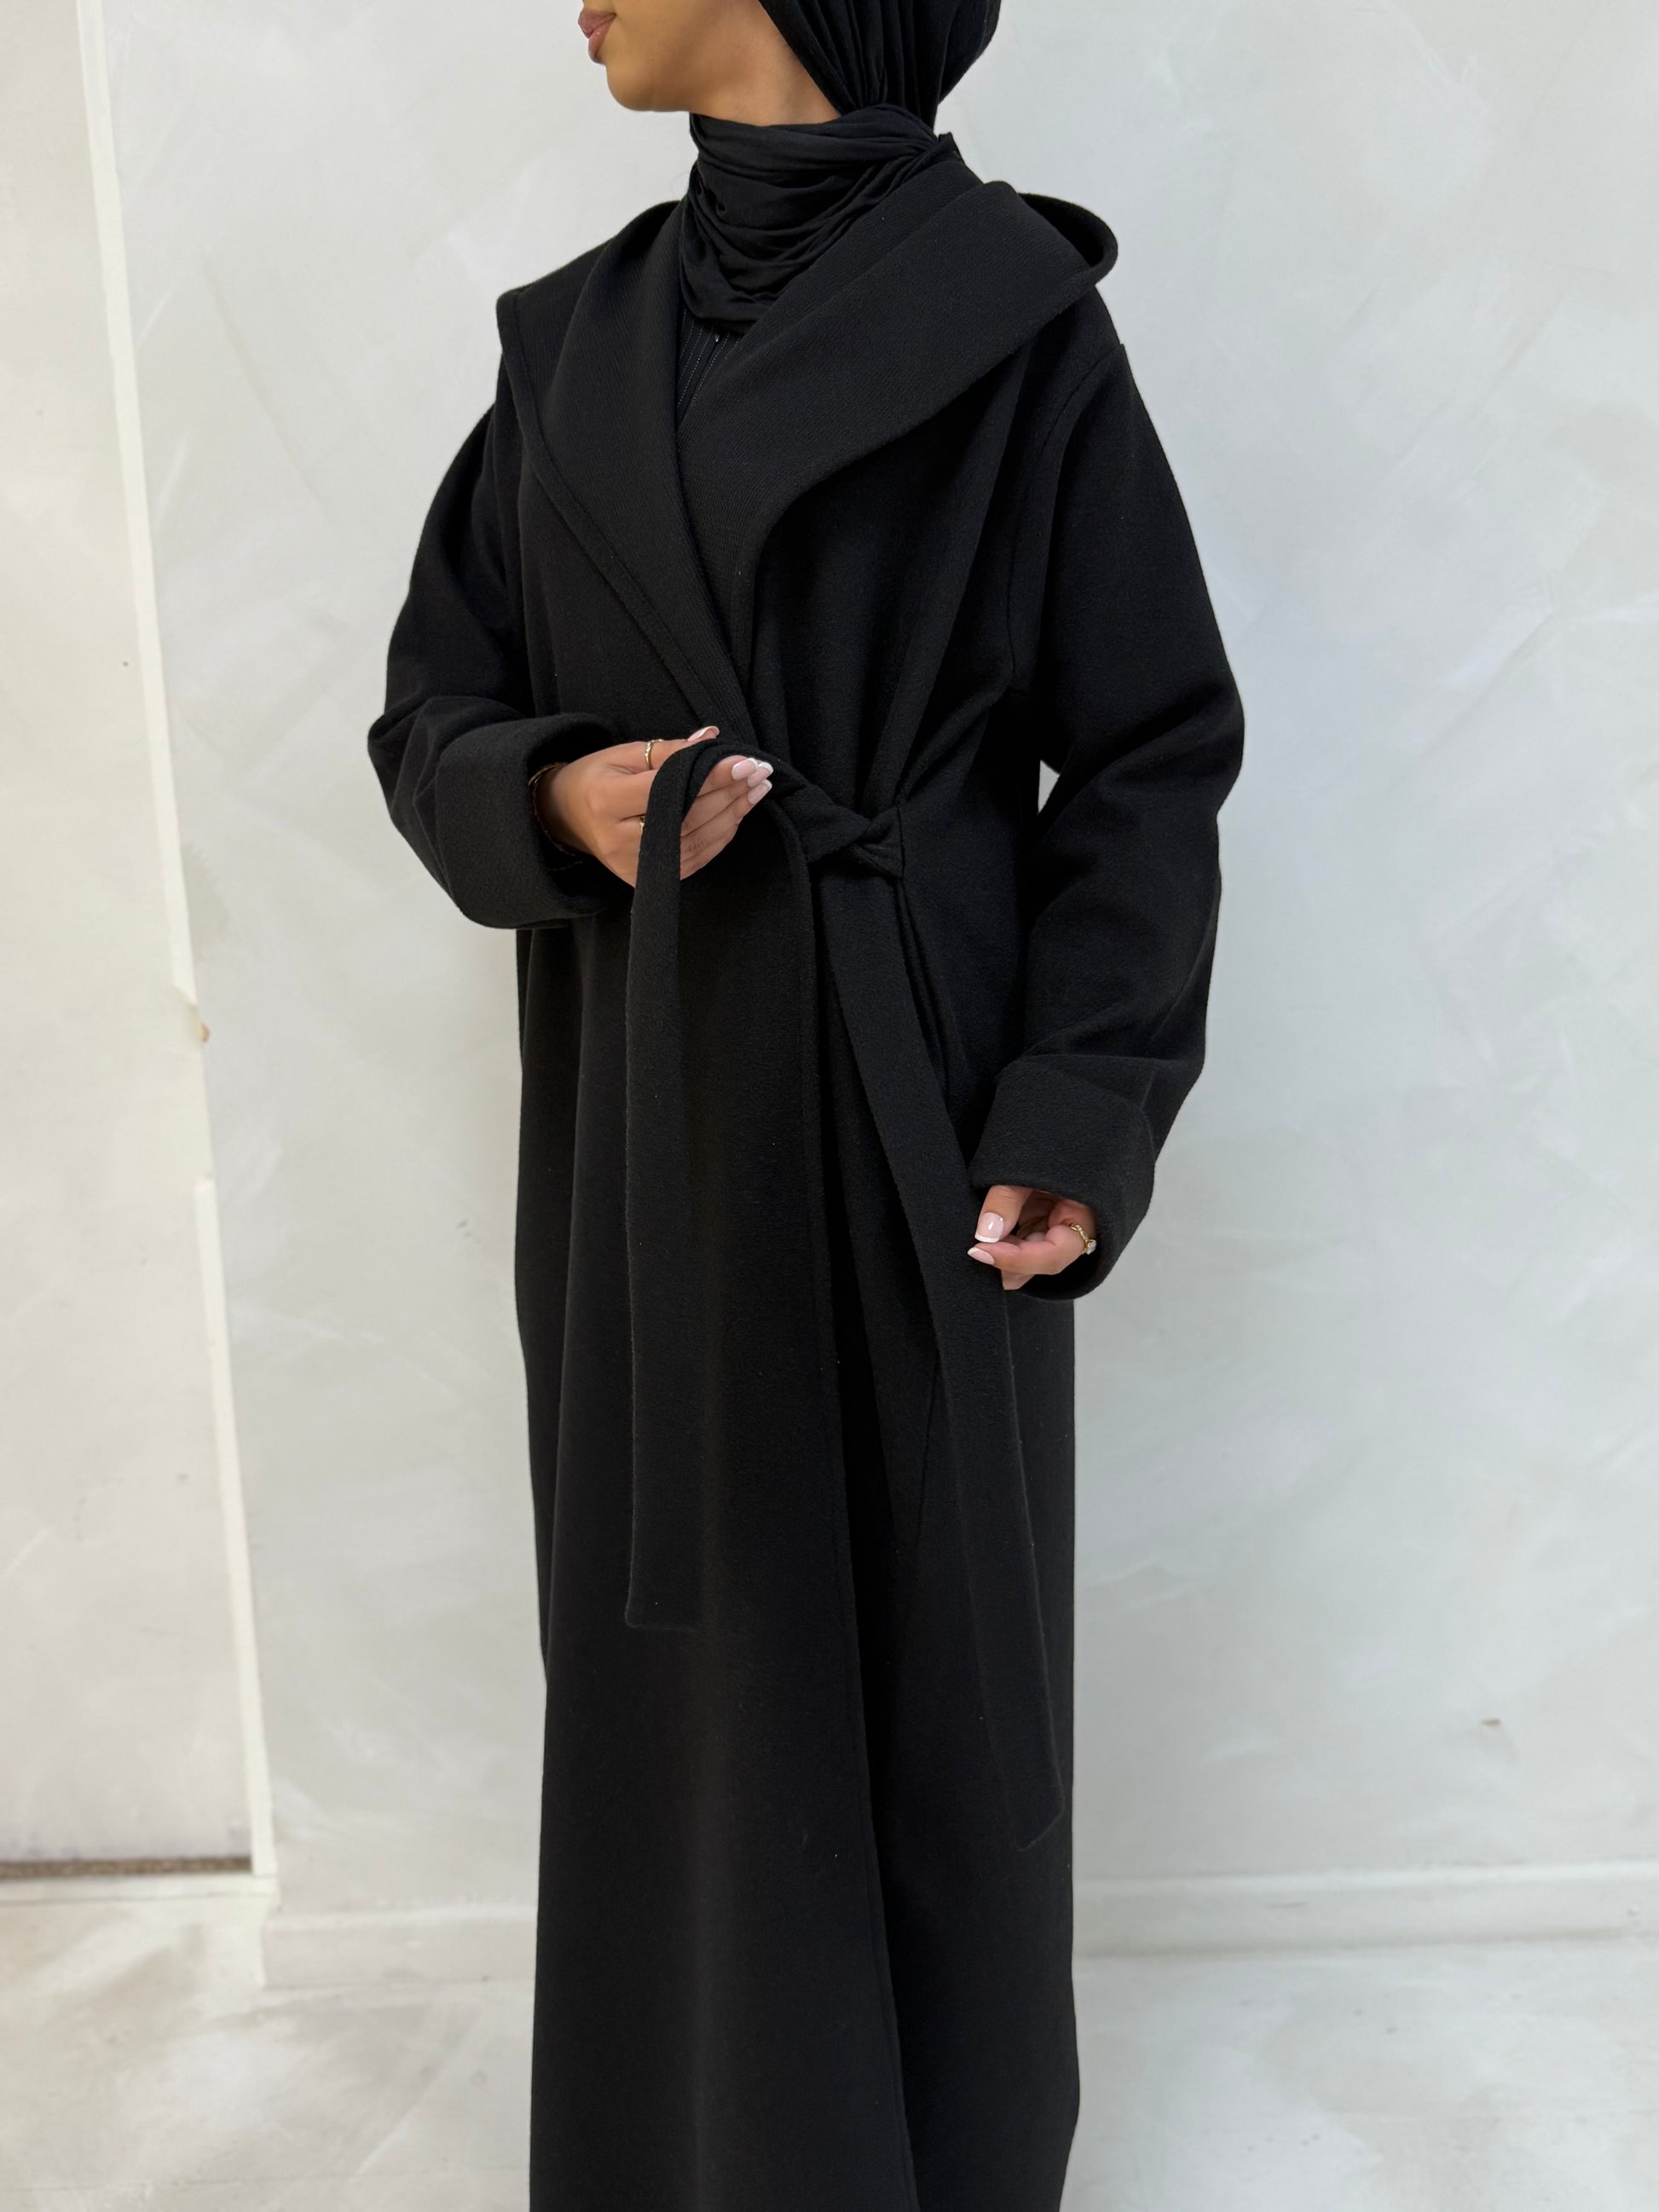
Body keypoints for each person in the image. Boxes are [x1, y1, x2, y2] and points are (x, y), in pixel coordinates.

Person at [367, 0, 1245, 2203]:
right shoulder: (571, 347)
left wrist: (1082, 1102)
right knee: (684, 1662)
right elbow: (431, 708)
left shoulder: (1017, 327)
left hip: (919, 1103)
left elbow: (1146, 748)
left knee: (927, 1653)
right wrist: (550, 796)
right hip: (648, 1111)